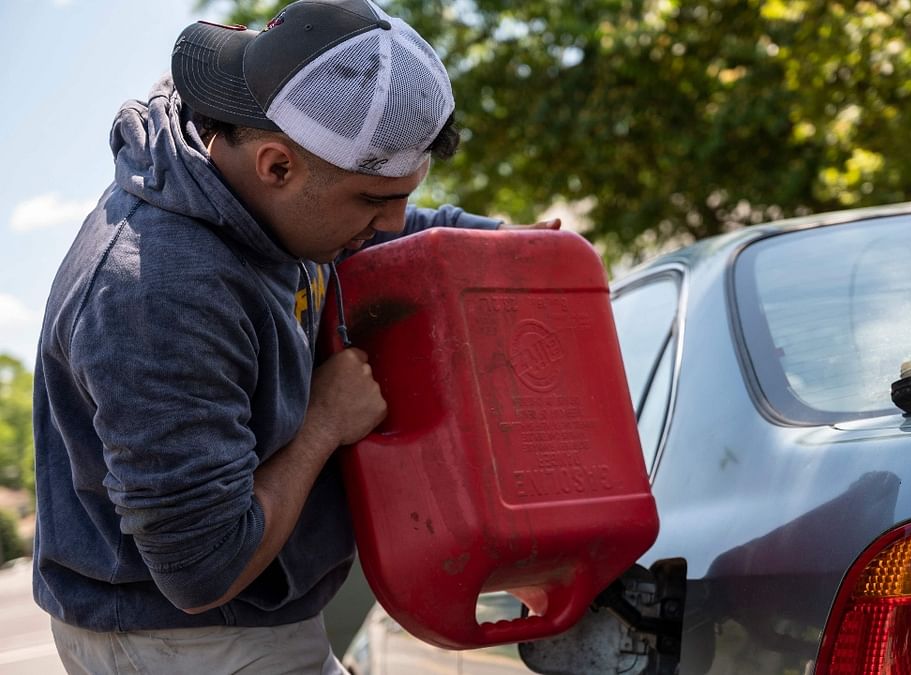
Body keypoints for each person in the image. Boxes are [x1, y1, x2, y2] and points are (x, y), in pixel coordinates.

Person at [32, 0, 558, 672]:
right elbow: (203, 567)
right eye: (373, 201)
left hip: (255, 614)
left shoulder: (275, 187)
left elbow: (415, 224)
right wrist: (325, 421)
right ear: (277, 167)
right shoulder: (157, 292)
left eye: (402, 197)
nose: (395, 224)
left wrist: (514, 245)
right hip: (178, 640)